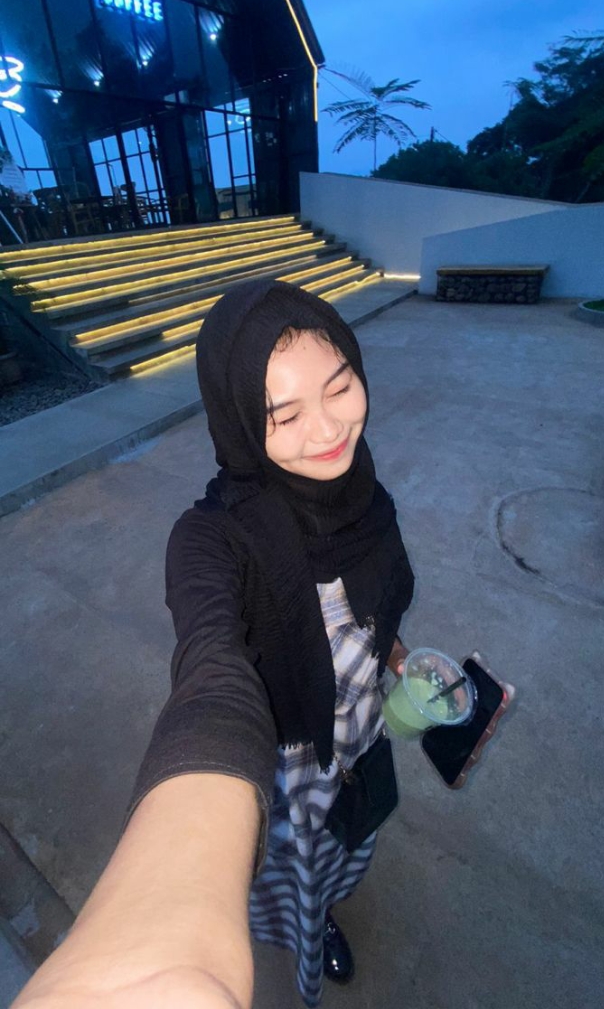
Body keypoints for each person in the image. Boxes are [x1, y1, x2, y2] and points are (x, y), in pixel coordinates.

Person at [13, 278, 414, 1009]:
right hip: (287, 766)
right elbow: (212, 671)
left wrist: (396, 653)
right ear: (239, 422)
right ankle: (309, 931)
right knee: (294, 879)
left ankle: (327, 908)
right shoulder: (212, 539)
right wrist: (158, 926)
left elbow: (374, 599)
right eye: (284, 415)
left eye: (340, 386)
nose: (329, 430)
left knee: (349, 848)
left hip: (361, 734)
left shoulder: (359, 488)